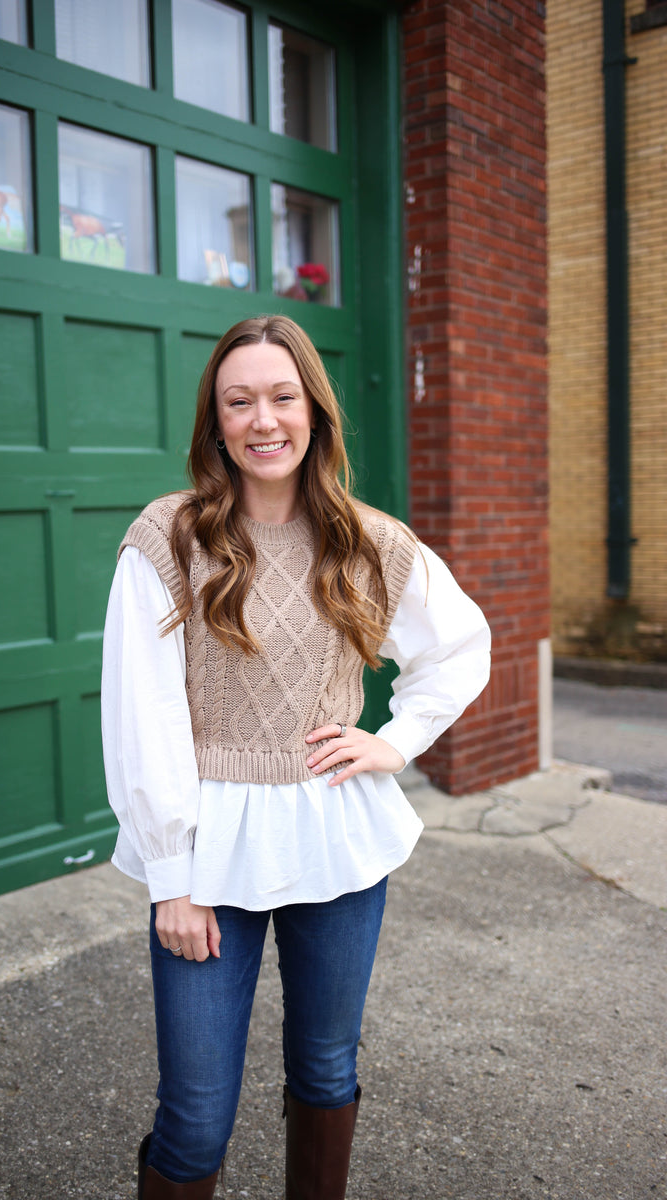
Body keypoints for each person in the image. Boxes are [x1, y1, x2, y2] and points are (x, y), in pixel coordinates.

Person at [101, 314, 490, 1199]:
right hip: (206, 855)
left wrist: (392, 742)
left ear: (314, 409)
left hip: (336, 844)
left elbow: (460, 647)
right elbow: (142, 711)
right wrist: (172, 874)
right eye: (239, 401)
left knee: (324, 1070)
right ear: (217, 420)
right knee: (196, 1115)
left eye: (282, 396)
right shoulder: (169, 537)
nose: (263, 419)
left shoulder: (369, 540)